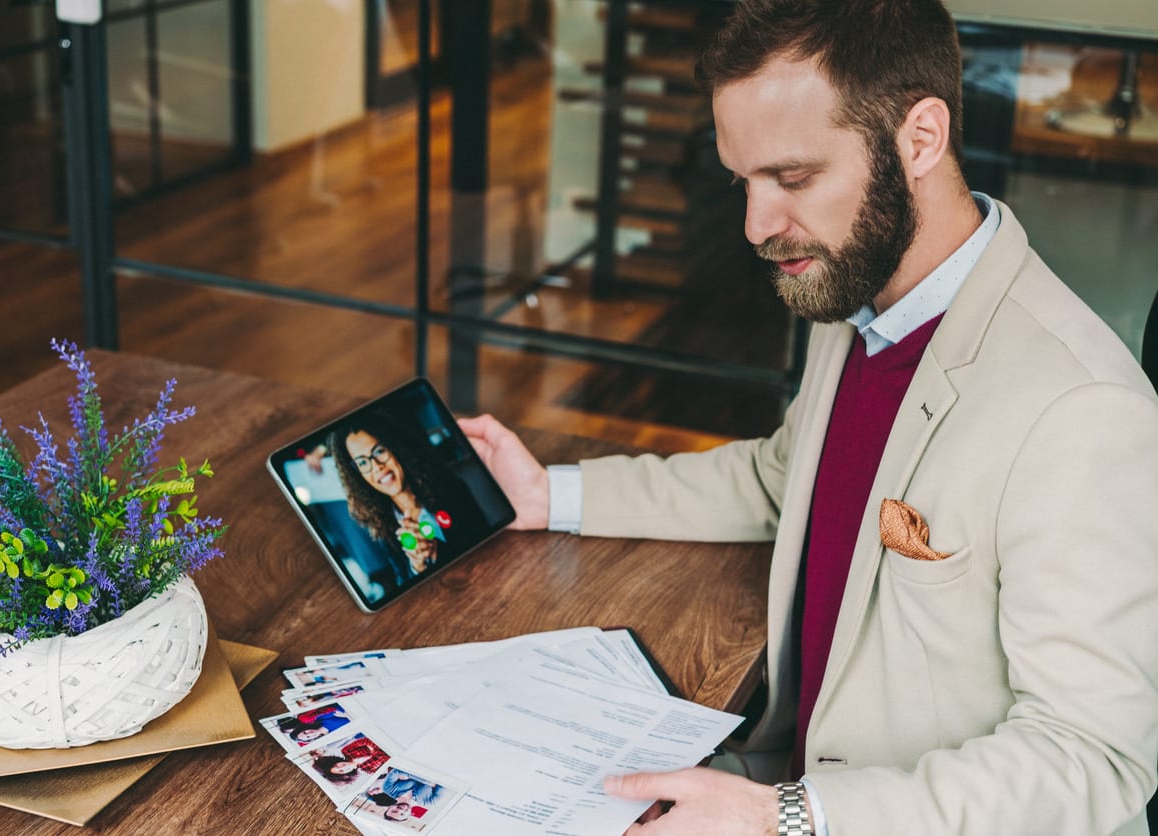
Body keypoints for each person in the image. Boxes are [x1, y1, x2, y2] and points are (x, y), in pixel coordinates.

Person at [458, 0, 1158, 833]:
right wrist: (550, 495)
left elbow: (1093, 758)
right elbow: (780, 477)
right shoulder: (853, 298)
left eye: (792, 180)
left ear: (919, 139)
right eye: (741, 181)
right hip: (773, 774)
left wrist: (785, 816)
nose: (756, 225)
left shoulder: (1082, 409)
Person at [330, 410, 485, 577]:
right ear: (357, 474)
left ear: (395, 447)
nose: (376, 466)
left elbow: (484, 548)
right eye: (362, 462)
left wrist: (435, 552)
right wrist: (417, 567)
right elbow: (402, 583)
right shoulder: (382, 528)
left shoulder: (451, 489)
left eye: (379, 451)